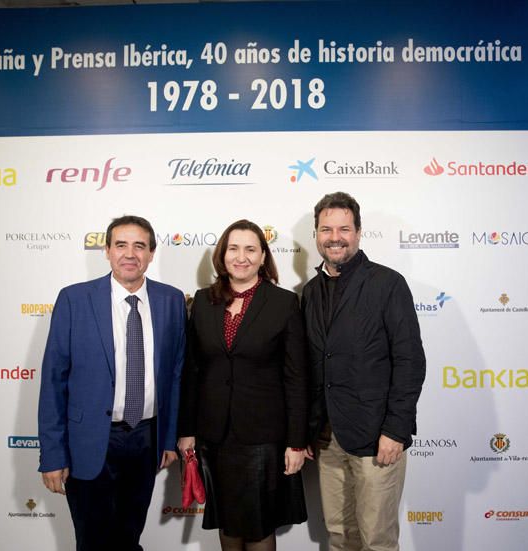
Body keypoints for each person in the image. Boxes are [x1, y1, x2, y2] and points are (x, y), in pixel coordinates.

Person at [38, 215, 186, 551]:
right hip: (89, 443)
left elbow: (176, 376)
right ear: (106, 251)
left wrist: (168, 438)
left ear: (151, 253)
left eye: (139, 246)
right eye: (121, 245)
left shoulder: (172, 301)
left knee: (129, 538)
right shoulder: (74, 300)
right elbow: (53, 381)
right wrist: (51, 455)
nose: (130, 254)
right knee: (92, 541)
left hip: (145, 440)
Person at [302, 192, 426, 551]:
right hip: (327, 440)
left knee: (377, 540)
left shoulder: (387, 284)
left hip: (376, 438)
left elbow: (410, 361)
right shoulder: (310, 292)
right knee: (340, 536)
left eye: (344, 228)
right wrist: (308, 429)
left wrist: (396, 430)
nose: (334, 237)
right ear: (316, 234)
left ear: (358, 232)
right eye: (326, 229)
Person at [178, 219, 308, 551]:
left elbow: (296, 378)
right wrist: (187, 429)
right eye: (234, 248)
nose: (242, 257)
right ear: (222, 255)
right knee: (229, 524)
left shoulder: (283, 303)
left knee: (259, 527)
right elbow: (193, 371)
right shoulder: (204, 302)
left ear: (263, 256)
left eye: (251, 249)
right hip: (215, 436)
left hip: (263, 438)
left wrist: (296, 442)